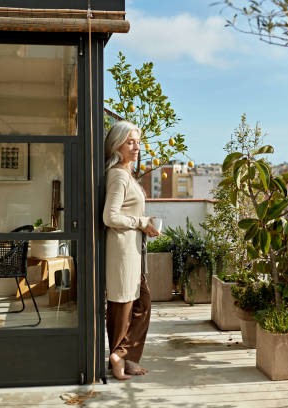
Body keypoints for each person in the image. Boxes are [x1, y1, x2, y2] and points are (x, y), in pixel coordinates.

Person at [103, 120, 159, 380]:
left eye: (137, 141)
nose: (136, 147)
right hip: (122, 251)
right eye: (130, 142)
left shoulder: (126, 173)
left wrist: (145, 225)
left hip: (133, 250)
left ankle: (125, 357)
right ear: (117, 145)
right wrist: (141, 223)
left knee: (142, 303)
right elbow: (110, 216)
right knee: (123, 306)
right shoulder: (117, 175)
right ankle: (118, 357)